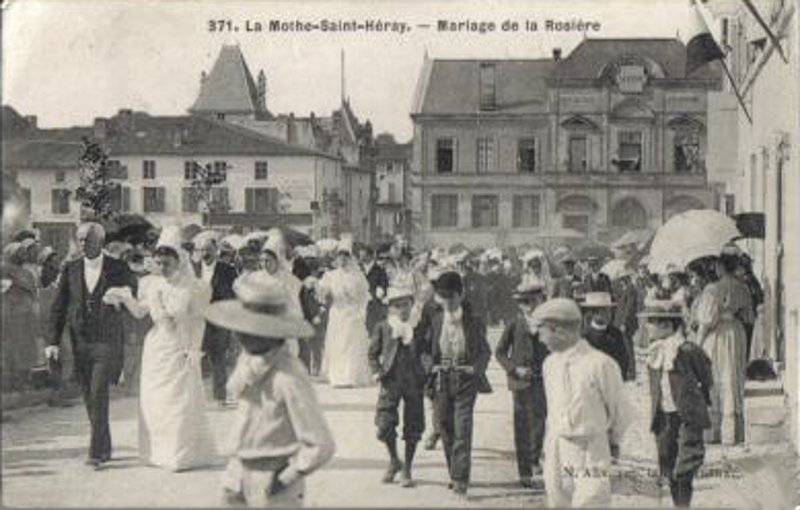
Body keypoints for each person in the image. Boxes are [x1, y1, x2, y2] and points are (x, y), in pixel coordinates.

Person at [205, 271, 336, 507]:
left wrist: (288, 475)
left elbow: (320, 443)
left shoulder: (288, 377)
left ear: (271, 332)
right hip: (238, 468)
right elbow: (234, 389)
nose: (239, 336)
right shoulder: (250, 359)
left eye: (249, 331)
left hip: (274, 475)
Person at [114, 226, 216, 471]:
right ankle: (158, 453)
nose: (163, 268)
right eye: (159, 263)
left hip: (181, 346)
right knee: (156, 402)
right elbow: (140, 312)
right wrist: (125, 298)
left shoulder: (195, 287)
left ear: (178, 261)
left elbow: (199, 321)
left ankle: (180, 454)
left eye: (167, 263)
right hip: (157, 347)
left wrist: (194, 350)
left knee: (179, 401)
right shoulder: (150, 284)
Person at [47, 223, 137, 468]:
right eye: (80, 240)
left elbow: (133, 294)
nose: (83, 244)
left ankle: (96, 451)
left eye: (87, 239)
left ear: (101, 241)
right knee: (89, 394)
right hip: (80, 340)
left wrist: (121, 297)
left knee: (98, 392)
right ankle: (104, 445)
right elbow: (58, 306)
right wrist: (52, 341)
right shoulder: (71, 268)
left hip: (107, 340)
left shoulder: (118, 267)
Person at [534, 298, 633, 508]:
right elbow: (552, 409)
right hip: (557, 447)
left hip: (591, 448)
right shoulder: (549, 364)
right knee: (557, 501)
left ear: (557, 329)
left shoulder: (600, 364)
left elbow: (620, 410)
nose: (540, 337)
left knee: (591, 501)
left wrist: (613, 440)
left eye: (542, 330)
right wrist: (548, 445)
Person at [415, 271, 491, 498]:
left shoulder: (474, 321)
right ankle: (453, 472)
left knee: (463, 428)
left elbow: (484, 351)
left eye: (451, 297)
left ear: (461, 294)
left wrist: (475, 369)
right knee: (445, 428)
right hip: (441, 380)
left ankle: (460, 478)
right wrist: (431, 367)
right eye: (442, 297)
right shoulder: (435, 318)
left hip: (465, 380)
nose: (447, 302)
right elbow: (424, 349)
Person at [641, 299, 713, 507]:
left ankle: (683, 504)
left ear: (667, 326)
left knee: (685, 467)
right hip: (665, 417)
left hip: (686, 416)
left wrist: (699, 401)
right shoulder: (655, 352)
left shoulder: (686, 350)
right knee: (669, 464)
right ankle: (678, 503)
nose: (647, 327)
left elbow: (706, 375)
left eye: (651, 322)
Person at [368, 283, 426, 488]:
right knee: (384, 425)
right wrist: (376, 371)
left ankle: (407, 468)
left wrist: (424, 370)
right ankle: (394, 460)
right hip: (390, 379)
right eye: (397, 305)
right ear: (390, 308)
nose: (403, 309)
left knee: (413, 426)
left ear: (411, 305)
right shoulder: (384, 327)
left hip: (413, 380)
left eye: (406, 304)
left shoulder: (418, 326)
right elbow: (372, 353)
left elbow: (427, 351)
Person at [494, 279, 550, 487]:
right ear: (519, 304)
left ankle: (534, 458)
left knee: (539, 422)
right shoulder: (514, 324)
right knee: (522, 425)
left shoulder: (549, 323)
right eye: (524, 302)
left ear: (541, 301)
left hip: (542, 381)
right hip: (520, 382)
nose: (529, 306)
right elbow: (499, 352)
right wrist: (513, 369)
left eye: (533, 301)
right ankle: (524, 471)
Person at [695, 249, 751, 445]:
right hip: (736, 334)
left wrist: (697, 343)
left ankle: (715, 432)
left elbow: (706, 320)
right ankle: (734, 433)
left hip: (717, 336)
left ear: (720, 267)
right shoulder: (743, 288)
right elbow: (748, 316)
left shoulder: (712, 289)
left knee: (716, 377)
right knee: (733, 378)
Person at [317, 239, 373, 388]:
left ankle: (350, 375)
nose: (342, 260)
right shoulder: (331, 275)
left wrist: (361, 313)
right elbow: (323, 294)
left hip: (352, 313)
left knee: (351, 344)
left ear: (350, 258)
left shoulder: (358, 276)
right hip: (337, 312)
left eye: (345, 257)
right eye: (340, 257)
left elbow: (364, 297)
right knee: (337, 344)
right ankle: (337, 375)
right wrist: (322, 289)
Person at [192, 230, 238, 407]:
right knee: (194, 358)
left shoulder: (227, 270)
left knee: (218, 358)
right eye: (202, 250)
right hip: (196, 320)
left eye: (208, 250)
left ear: (216, 250)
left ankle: (220, 396)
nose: (205, 254)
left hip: (218, 322)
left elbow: (234, 295)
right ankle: (194, 397)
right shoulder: (193, 269)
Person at [2, 242, 41, 392]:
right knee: (11, 348)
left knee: (26, 347)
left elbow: (33, 293)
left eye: (24, 252)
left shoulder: (27, 273)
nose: (23, 255)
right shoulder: (4, 269)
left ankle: (24, 379)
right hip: (10, 314)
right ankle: (10, 381)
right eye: (20, 252)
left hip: (27, 314)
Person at [580, 292, 632, 382]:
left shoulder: (616, 334)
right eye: (602, 311)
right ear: (593, 313)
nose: (608, 314)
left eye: (609, 310)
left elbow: (623, 359)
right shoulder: (584, 337)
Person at [363, 246, 390, 336]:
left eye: (364, 255)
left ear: (370, 256)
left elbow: (384, 286)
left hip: (374, 303)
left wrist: (380, 292)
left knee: (372, 328)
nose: (361, 258)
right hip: (360, 302)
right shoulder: (359, 269)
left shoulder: (379, 270)